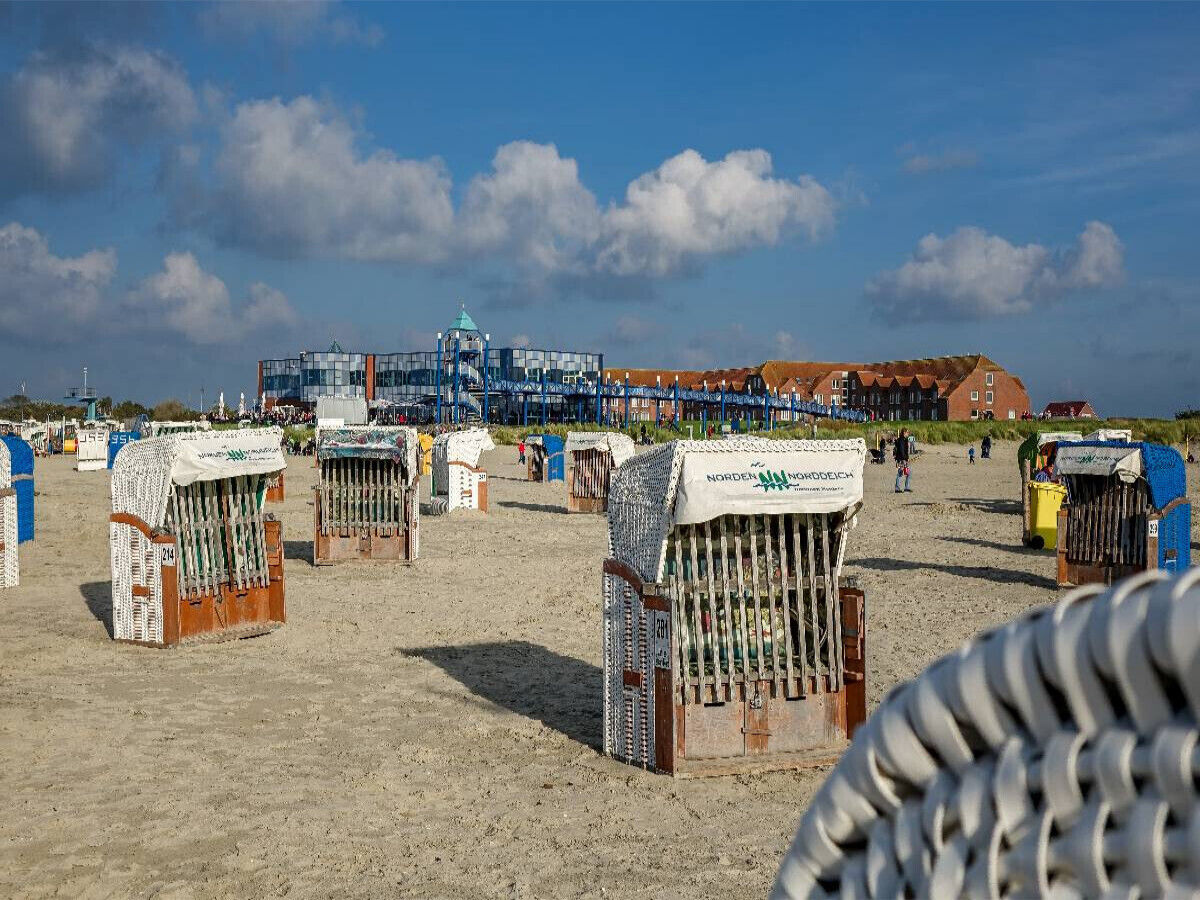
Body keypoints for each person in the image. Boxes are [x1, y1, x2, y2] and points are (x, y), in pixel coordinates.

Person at [894, 427, 912, 492]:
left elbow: (904, 450)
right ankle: (897, 488)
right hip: (901, 459)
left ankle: (906, 487)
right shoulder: (901, 440)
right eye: (907, 432)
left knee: (907, 473)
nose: (908, 433)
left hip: (903, 459)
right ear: (904, 432)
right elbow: (901, 450)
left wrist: (907, 458)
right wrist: (905, 459)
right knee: (901, 473)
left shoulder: (904, 439)